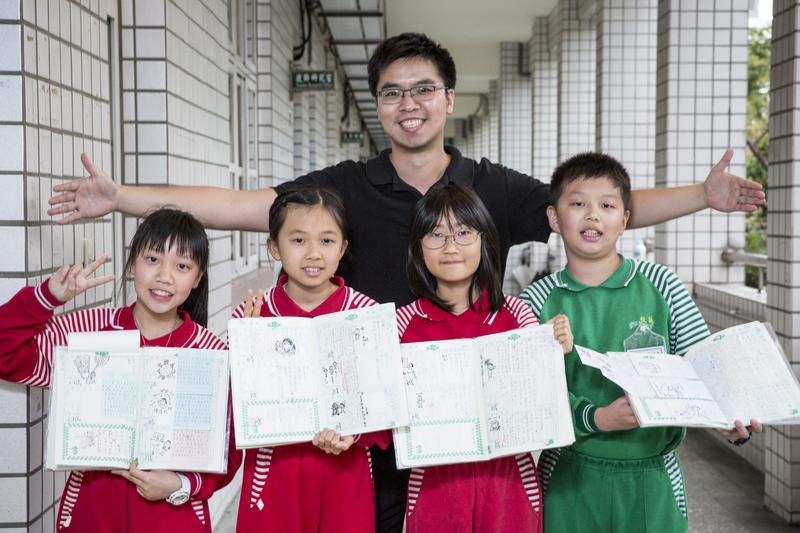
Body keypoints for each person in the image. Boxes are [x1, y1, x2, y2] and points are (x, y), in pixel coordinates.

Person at [45, 32, 765, 533]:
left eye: (423, 89)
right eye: (392, 92)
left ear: (448, 98)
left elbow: (587, 207)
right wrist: (125, 198)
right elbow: (242, 205)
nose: (409, 103)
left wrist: (702, 197)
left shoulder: (489, 187)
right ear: (379, 105)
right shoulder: (348, 184)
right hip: (363, 424)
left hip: (454, 430)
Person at [519, 152, 763, 533]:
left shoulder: (662, 285)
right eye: (578, 204)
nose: (593, 216)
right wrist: (595, 417)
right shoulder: (535, 302)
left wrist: (728, 419)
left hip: (653, 478)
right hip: (568, 478)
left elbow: (705, 366)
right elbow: (529, 399)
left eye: (607, 206)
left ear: (625, 219)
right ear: (553, 217)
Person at [0, 208, 243, 533]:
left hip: (173, 518)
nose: (165, 276)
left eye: (182, 266)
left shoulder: (211, 353)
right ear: (132, 264)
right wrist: (46, 298)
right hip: (93, 515)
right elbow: (5, 353)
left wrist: (178, 484)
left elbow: (227, 452)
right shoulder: (87, 333)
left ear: (197, 278)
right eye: (152, 259)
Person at [396, 181, 573, 532]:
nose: (450, 246)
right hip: (434, 482)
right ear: (418, 246)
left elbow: (540, 399)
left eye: (463, 232)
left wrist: (554, 350)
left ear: (485, 241)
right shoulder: (401, 324)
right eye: (436, 234)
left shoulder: (517, 315)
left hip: (509, 479)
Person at [229, 186, 392, 533]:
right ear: (274, 247)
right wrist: (249, 346)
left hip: (344, 470)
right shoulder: (253, 314)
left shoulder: (366, 314)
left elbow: (385, 405)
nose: (313, 254)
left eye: (327, 241)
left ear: (343, 248)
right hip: (274, 470)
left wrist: (356, 434)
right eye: (298, 240)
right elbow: (232, 405)